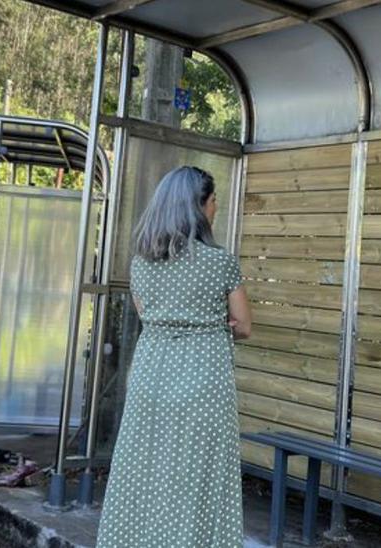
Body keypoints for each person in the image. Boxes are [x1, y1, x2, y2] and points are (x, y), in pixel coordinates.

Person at [96, 166, 253, 547]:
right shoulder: (221, 263)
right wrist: (220, 321)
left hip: (152, 380)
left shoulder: (141, 263)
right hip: (203, 383)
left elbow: (146, 312)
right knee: (198, 477)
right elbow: (245, 325)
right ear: (198, 207)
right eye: (213, 201)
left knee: (146, 472)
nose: (216, 209)